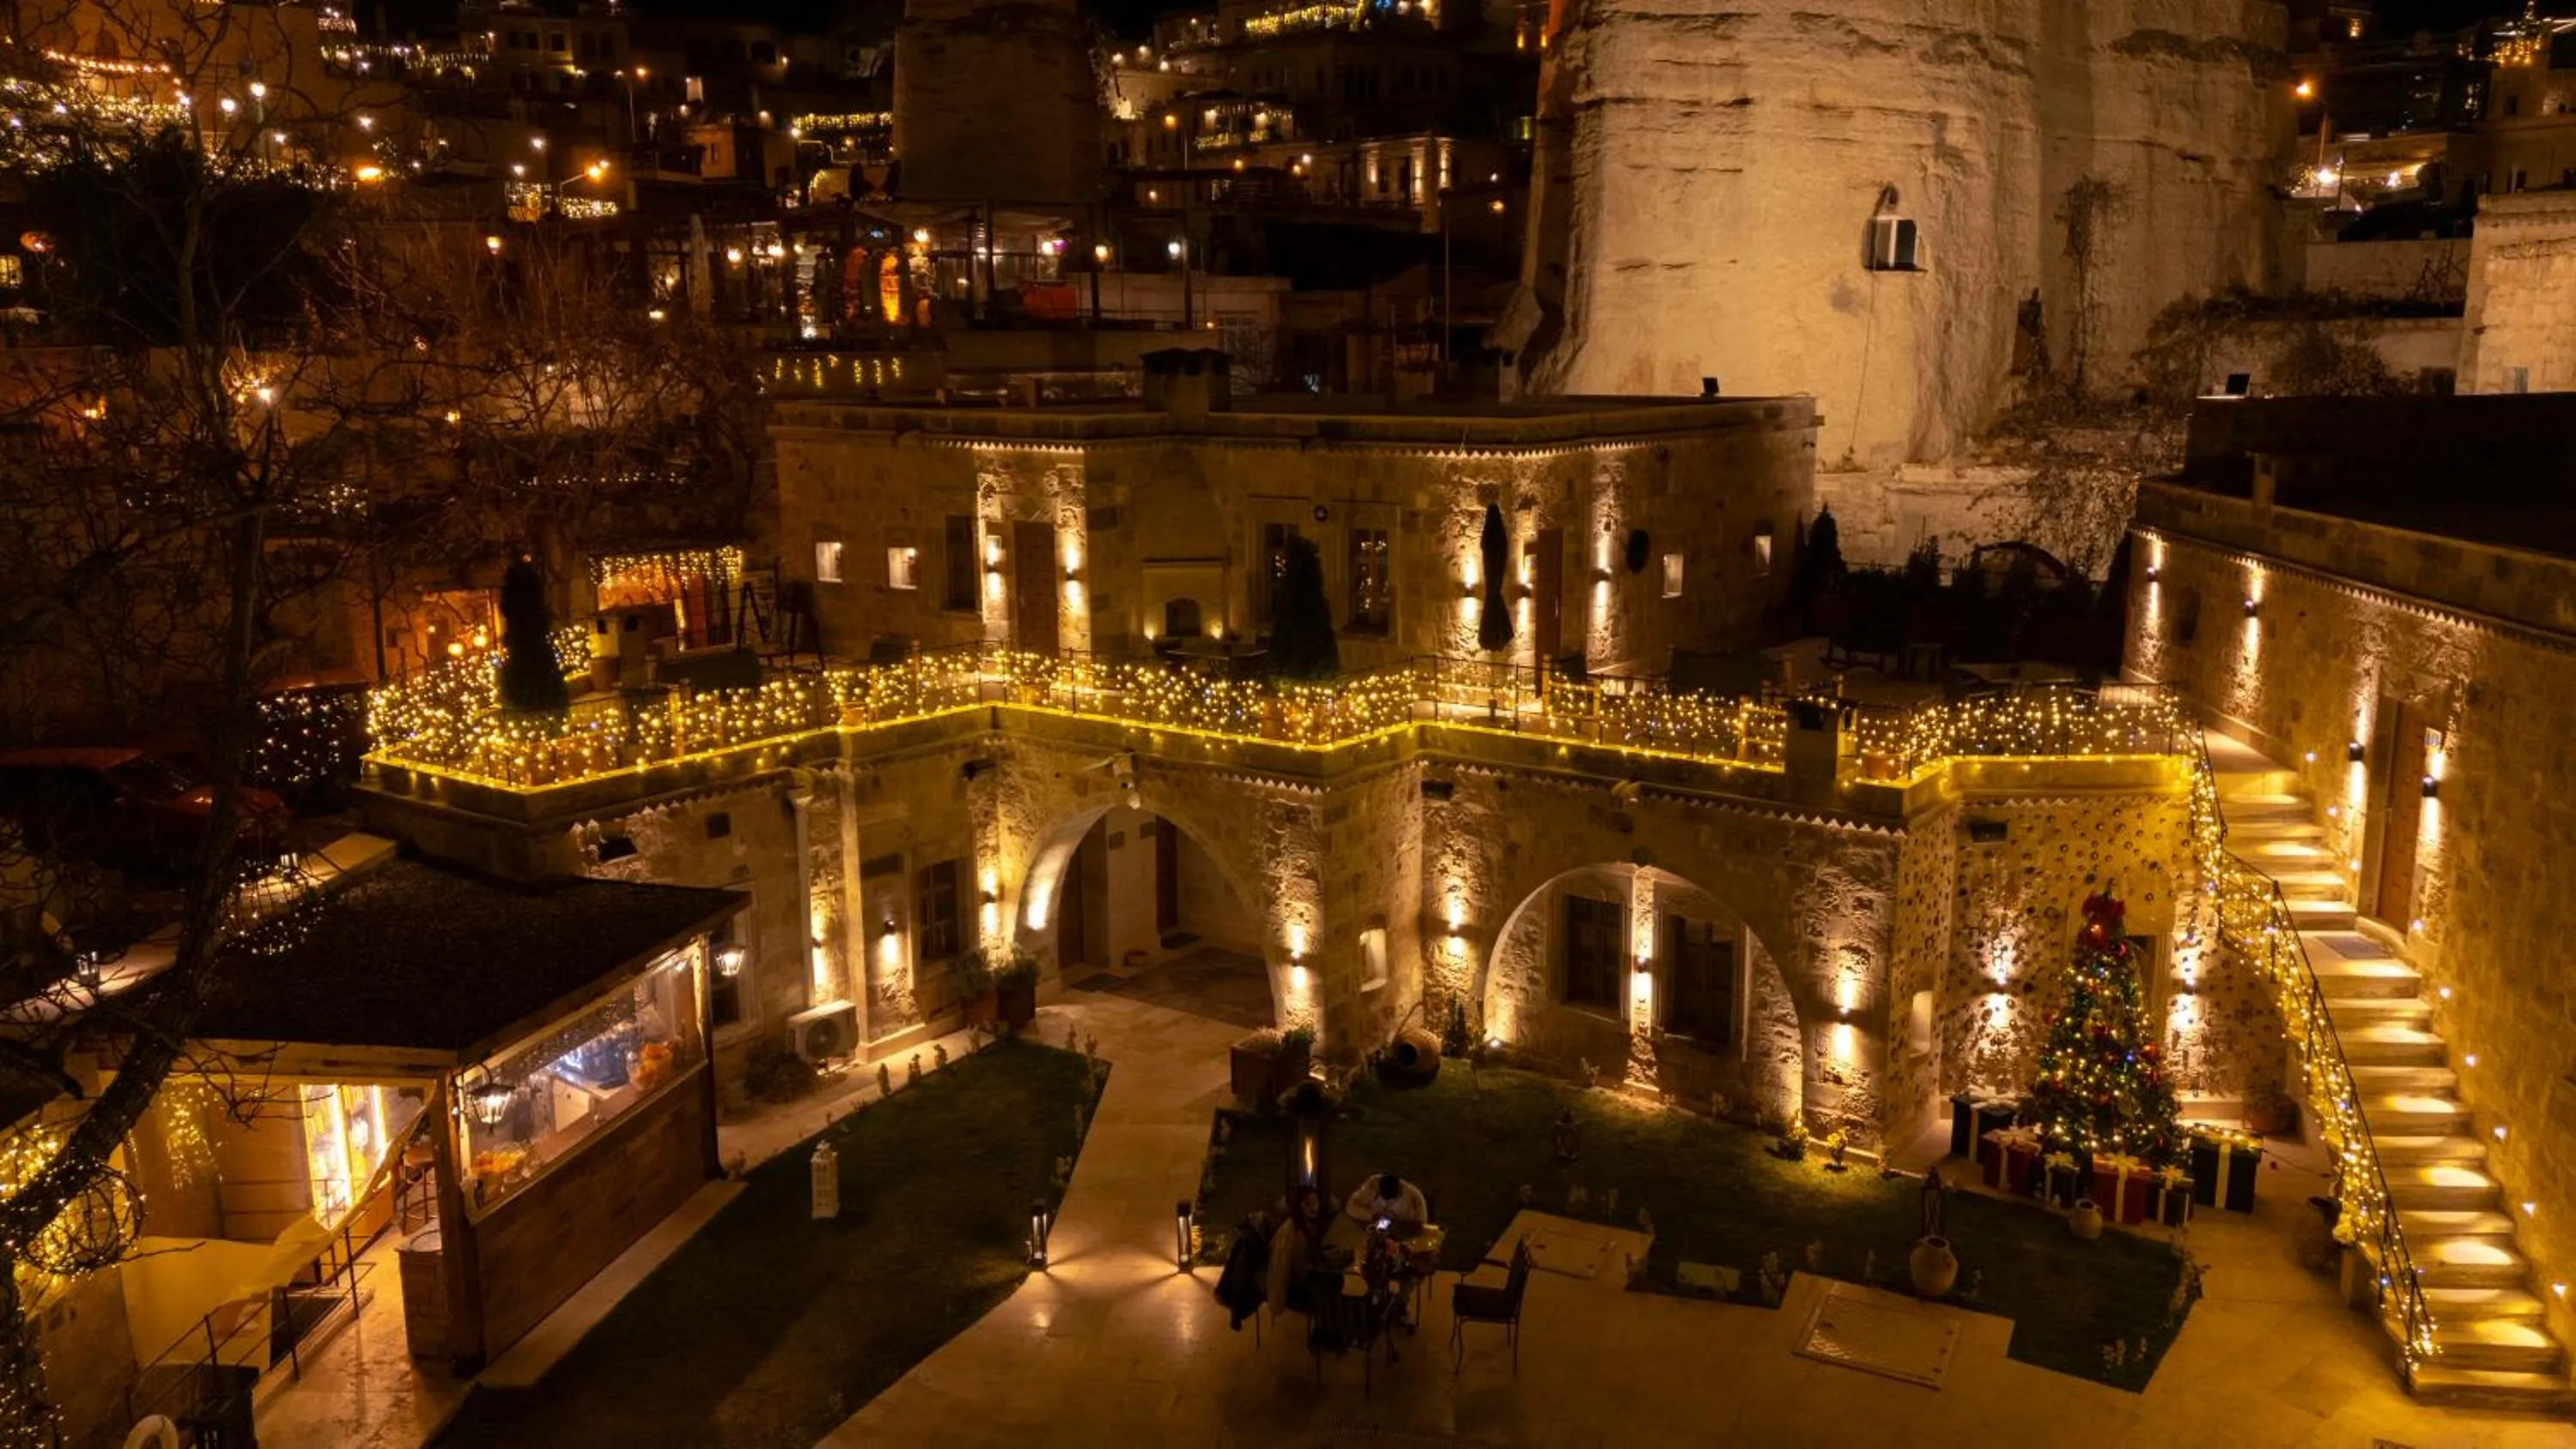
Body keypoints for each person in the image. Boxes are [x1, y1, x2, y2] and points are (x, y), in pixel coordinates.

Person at [1345, 1171, 1428, 1231]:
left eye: (1392, 1201)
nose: (1386, 1204)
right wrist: (1370, 1216)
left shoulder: (1414, 1198)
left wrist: (1399, 1225)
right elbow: (1351, 1207)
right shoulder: (1372, 1186)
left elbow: (1420, 1225)